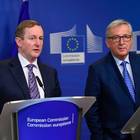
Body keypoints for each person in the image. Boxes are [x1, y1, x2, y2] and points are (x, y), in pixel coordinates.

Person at [85, 19, 140, 140]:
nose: (122, 42)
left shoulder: (138, 61)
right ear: (107, 42)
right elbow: (91, 110)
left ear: (131, 39)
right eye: (116, 38)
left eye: (126, 36)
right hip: (113, 137)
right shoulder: (97, 69)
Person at [0, 20, 61, 113]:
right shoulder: (2, 70)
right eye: (32, 38)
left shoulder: (50, 73)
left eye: (41, 38)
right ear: (19, 42)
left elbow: (57, 107)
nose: (38, 43)